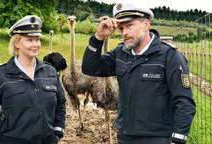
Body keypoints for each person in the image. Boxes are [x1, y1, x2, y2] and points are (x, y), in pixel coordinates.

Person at [82, 1, 196, 144]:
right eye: (121, 28)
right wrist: (98, 37)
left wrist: (178, 139)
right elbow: (89, 67)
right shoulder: (120, 53)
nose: (124, 33)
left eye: (129, 26)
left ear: (146, 24)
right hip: (126, 136)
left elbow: (184, 102)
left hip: (158, 138)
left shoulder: (169, 56)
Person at [0, 15, 66, 144]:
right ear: (17, 43)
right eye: (29, 40)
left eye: (37, 39)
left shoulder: (50, 72)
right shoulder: (1, 74)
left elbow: (61, 103)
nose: (35, 44)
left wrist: (58, 130)